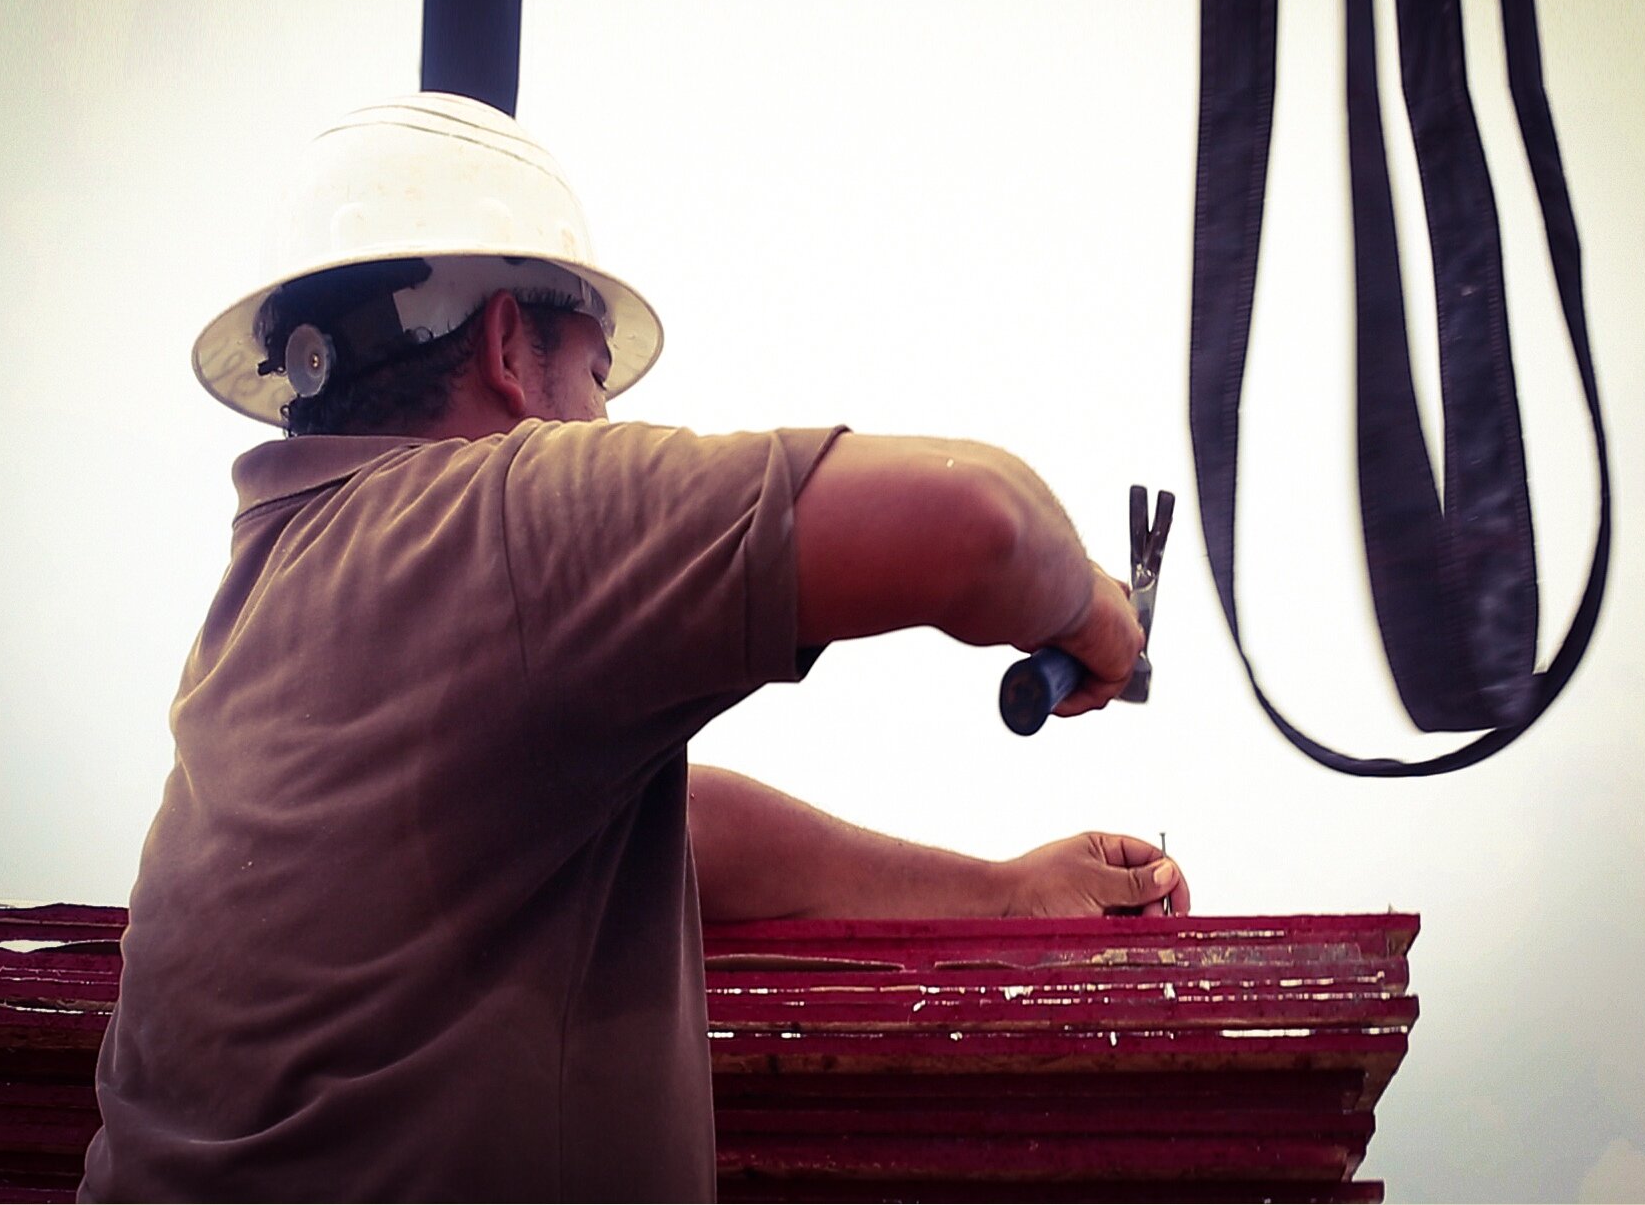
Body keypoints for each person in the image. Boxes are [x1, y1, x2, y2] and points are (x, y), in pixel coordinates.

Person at [79, 93, 1190, 1203]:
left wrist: (996, 894)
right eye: (599, 374)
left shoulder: (263, 599)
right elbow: (978, 523)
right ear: (510, 347)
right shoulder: (502, 521)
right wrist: (1101, 616)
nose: (604, 418)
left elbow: (665, 827)